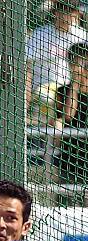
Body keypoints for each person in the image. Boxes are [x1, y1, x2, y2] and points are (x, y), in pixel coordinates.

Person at [26, 0, 87, 124]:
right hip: (43, 86)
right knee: (46, 98)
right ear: (54, 13)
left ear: (76, 14)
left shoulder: (82, 36)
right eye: (61, 11)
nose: (64, 15)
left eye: (69, 11)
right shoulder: (41, 34)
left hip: (70, 88)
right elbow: (28, 68)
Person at [55, 42, 88, 190]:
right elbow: (68, 116)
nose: (77, 67)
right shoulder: (63, 91)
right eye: (74, 62)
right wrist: (74, 85)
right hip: (71, 156)